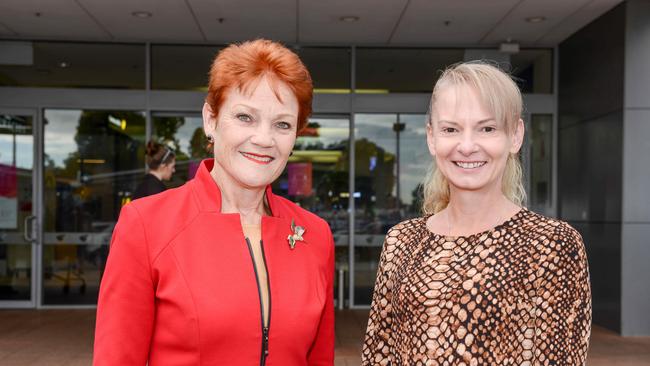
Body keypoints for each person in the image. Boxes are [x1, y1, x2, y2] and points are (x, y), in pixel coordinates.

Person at [94, 39, 335, 365]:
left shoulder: (315, 236)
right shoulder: (146, 225)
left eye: (282, 124)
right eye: (245, 117)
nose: (264, 139)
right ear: (211, 119)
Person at [361, 62, 591, 365]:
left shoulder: (550, 244)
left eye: (487, 128)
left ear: (515, 135)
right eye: (451, 129)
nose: (467, 146)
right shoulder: (402, 241)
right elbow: (379, 354)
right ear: (432, 137)